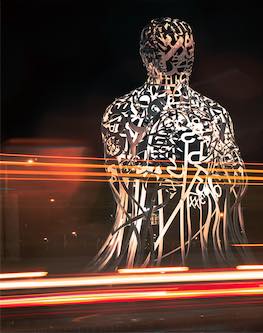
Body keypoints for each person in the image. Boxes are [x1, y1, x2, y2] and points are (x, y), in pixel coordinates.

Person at [91, 18, 247, 270]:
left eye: (188, 50)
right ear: (147, 56)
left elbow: (236, 177)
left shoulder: (214, 113)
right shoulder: (121, 112)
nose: (184, 59)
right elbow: (119, 176)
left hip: (202, 240)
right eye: (173, 52)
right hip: (146, 243)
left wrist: (206, 182)